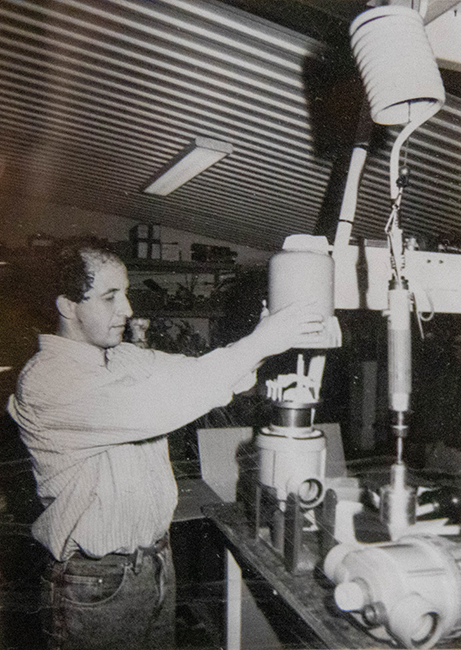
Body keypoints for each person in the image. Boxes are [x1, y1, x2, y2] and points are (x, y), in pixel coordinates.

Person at [7, 240, 324, 650]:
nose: (127, 309)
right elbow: (158, 406)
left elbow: (200, 377)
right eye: (110, 297)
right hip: (96, 584)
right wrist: (262, 342)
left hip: (155, 566)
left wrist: (262, 342)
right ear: (68, 305)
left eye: (125, 293)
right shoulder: (47, 381)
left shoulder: (122, 358)